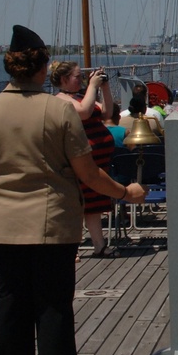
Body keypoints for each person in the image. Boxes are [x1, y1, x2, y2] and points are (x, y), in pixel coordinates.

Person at [0, 25, 146, 355]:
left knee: (11, 305)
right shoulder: (59, 110)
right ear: (42, 66)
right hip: (52, 223)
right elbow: (89, 174)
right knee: (53, 307)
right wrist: (125, 193)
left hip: (1, 224)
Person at [50, 60, 118, 258]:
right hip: (80, 159)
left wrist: (104, 88)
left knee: (93, 206)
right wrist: (92, 86)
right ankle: (71, 247)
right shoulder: (61, 99)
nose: (81, 79)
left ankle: (99, 244)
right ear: (64, 79)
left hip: (97, 161)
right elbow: (83, 112)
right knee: (77, 205)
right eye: (77, 76)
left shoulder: (81, 96)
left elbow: (106, 112)